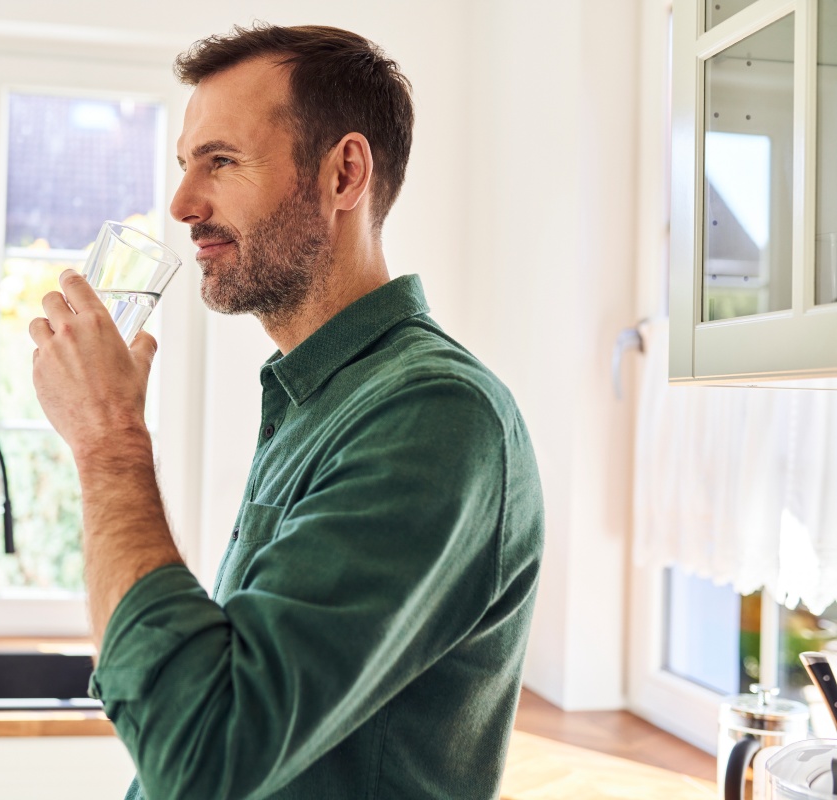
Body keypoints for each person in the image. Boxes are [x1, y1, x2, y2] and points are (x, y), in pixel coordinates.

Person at [29, 23, 544, 800]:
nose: (180, 204)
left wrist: (108, 438)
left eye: (222, 162)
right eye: (184, 166)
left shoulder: (435, 415)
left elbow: (203, 755)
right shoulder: (320, 397)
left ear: (343, 175)